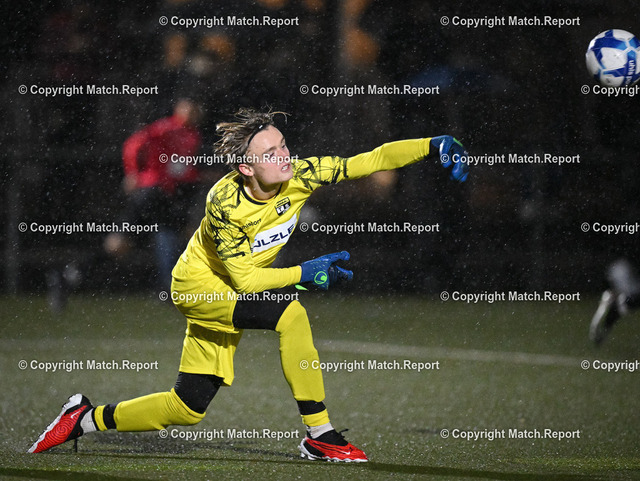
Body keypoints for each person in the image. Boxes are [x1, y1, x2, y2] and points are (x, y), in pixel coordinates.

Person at [28, 108, 469, 462]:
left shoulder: (302, 175)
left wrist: (432, 145)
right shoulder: (225, 202)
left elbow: (368, 160)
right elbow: (247, 280)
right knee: (291, 315)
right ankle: (320, 435)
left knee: (187, 408)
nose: (285, 157)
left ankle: (84, 418)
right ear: (246, 167)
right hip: (199, 289)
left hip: (231, 293)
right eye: (270, 153)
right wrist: (305, 274)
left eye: (284, 145)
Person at [104, 98, 203, 291]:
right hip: (151, 192)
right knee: (120, 242)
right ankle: (74, 273)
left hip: (168, 193)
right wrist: (133, 173)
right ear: (178, 109)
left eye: (195, 110)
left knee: (172, 236)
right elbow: (133, 144)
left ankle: (167, 287)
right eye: (189, 109)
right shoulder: (166, 128)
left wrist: (195, 177)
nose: (192, 114)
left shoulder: (193, 134)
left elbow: (182, 167)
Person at [590, 258, 640, 345]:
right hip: (631, 296)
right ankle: (602, 332)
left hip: (631, 297)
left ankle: (600, 332)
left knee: (613, 309)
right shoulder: (622, 265)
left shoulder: (616, 268)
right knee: (614, 311)